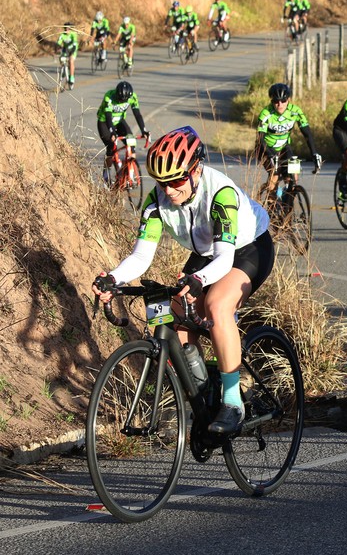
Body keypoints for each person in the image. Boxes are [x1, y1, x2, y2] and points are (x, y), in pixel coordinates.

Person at [92, 126, 274, 435]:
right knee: (165, 315)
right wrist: (112, 277)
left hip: (247, 248)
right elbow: (140, 257)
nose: (170, 190)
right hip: (206, 252)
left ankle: (232, 402)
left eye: (176, 180)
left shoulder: (221, 194)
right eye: (163, 183)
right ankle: (202, 395)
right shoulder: (157, 200)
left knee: (217, 306)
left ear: (195, 170)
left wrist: (200, 280)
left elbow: (225, 260)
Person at [253, 82, 322, 197]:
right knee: (275, 173)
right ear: (271, 101)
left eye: (283, 101)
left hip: (284, 147)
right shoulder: (266, 114)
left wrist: (314, 153)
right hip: (266, 148)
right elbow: (261, 139)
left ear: (288, 100)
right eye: (276, 101)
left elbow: (307, 133)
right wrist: (270, 155)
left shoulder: (295, 112)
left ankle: (288, 206)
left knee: (293, 175)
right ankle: (271, 206)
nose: (279, 104)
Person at [97, 80, 150, 180]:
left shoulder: (133, 97)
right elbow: (108, 117)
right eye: (120, 100)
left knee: (131, 142)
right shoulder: (109, 96)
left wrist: (144, 130)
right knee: (111, 147)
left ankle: (130, 173)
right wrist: (112, 132)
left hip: (119, 121)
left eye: (124, 101)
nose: (122, 102)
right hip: (104, 122)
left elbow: (137, 114)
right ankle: (106, 173)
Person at [56, 21, 79, 89]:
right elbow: (59, 43)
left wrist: (71, 53)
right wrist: (57, 47)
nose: (67, 30)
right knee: (61, 59)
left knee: (71, 61)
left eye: (68, 29)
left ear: (70, 29)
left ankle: (71, 77)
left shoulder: (73, 34)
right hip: (65, 50)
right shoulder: (62, 35)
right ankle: (63, 70)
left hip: (73, 49)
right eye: (65, 29)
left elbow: (75, 44)